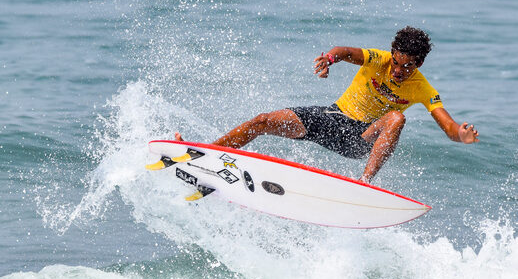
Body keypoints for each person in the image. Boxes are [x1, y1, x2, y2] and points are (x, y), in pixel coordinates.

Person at [177, 26, 478, 182]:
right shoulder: (379, 59)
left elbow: (449, 125)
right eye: (396, 62)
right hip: (333, 118)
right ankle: (206, 154)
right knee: (262, 120)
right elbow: (345, 51)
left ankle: (365, 184)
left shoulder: (423, 88)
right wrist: (329, 59)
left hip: (361, 138)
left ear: (420, 63)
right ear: (392, 53)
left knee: (396, 118)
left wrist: (461, 135)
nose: (398, 71)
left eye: (407, 66)